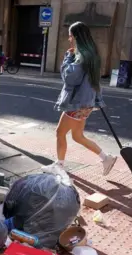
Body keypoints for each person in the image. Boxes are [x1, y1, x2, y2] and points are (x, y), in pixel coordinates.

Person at [42, 21, 117, 179]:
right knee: (78, 136)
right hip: (86, 103)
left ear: (76, 36)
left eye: (70, 36)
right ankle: (106, 158)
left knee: (60, 132)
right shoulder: (92, 54)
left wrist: (68, 57)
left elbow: (70, 78)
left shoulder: (81, 56)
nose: (69, 39)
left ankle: (59, 166)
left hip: (77, 103)